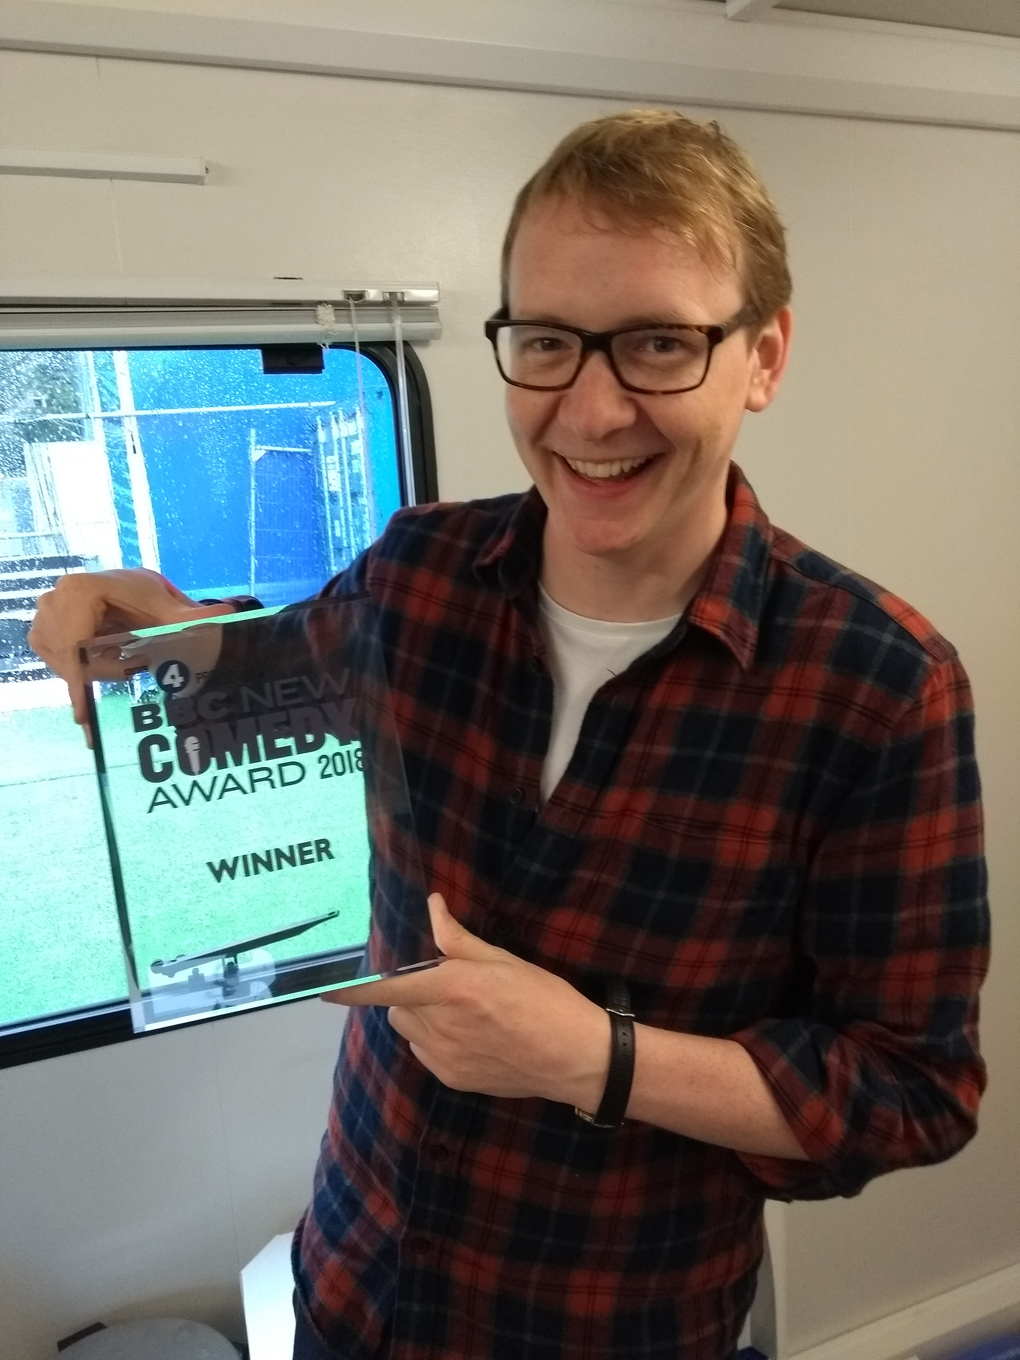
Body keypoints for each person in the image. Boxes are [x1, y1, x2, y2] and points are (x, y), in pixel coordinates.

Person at [30, 110, 989, 1360]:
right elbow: (264, 680)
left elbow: (909, 1092)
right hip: (355, 1287)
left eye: (656, 343)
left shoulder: (879, 687)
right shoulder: (417, 572)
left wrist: (599, 1057)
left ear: (763, 357)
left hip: (612, 1328)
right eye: (545, 342)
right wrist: (146, 627)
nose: (590, 412)